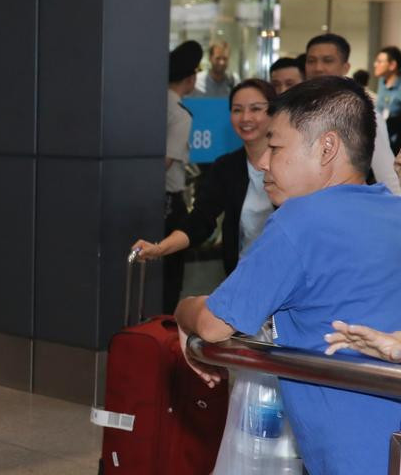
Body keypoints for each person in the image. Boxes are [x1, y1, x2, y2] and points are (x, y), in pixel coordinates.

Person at [176, 76, 401, 475]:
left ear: (326, 148)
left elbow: (213, 324)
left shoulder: (302, 222)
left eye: (277, 146)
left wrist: (183, 308)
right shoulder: (392, 212)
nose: (265, 163)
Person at [132, 78, 275, 274]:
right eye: (237, 110)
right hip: (243, 274)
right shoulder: (227, 167)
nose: (245, 118)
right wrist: (160, 248)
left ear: (273, 112)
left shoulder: (292, 164)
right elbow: (200, 219)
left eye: (256, 109)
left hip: (290, 278)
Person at [305, 33, 401, 195]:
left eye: (327, 60)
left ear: (345, 67)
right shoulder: (295, 110)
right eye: (311, 61)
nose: (318, 68)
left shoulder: (362, 113)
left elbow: (387, 174)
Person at [163, 40, 203, 311]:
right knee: (169, 274)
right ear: (190, 79)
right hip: (167, 202)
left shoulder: (151, 103)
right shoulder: (180, 115)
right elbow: (165, 162)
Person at [372, 46, 401, 154]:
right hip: (379, 140)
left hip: (394, 146)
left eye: (380, 62)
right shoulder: (382, 81)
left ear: (392, 65)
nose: (375, 64)